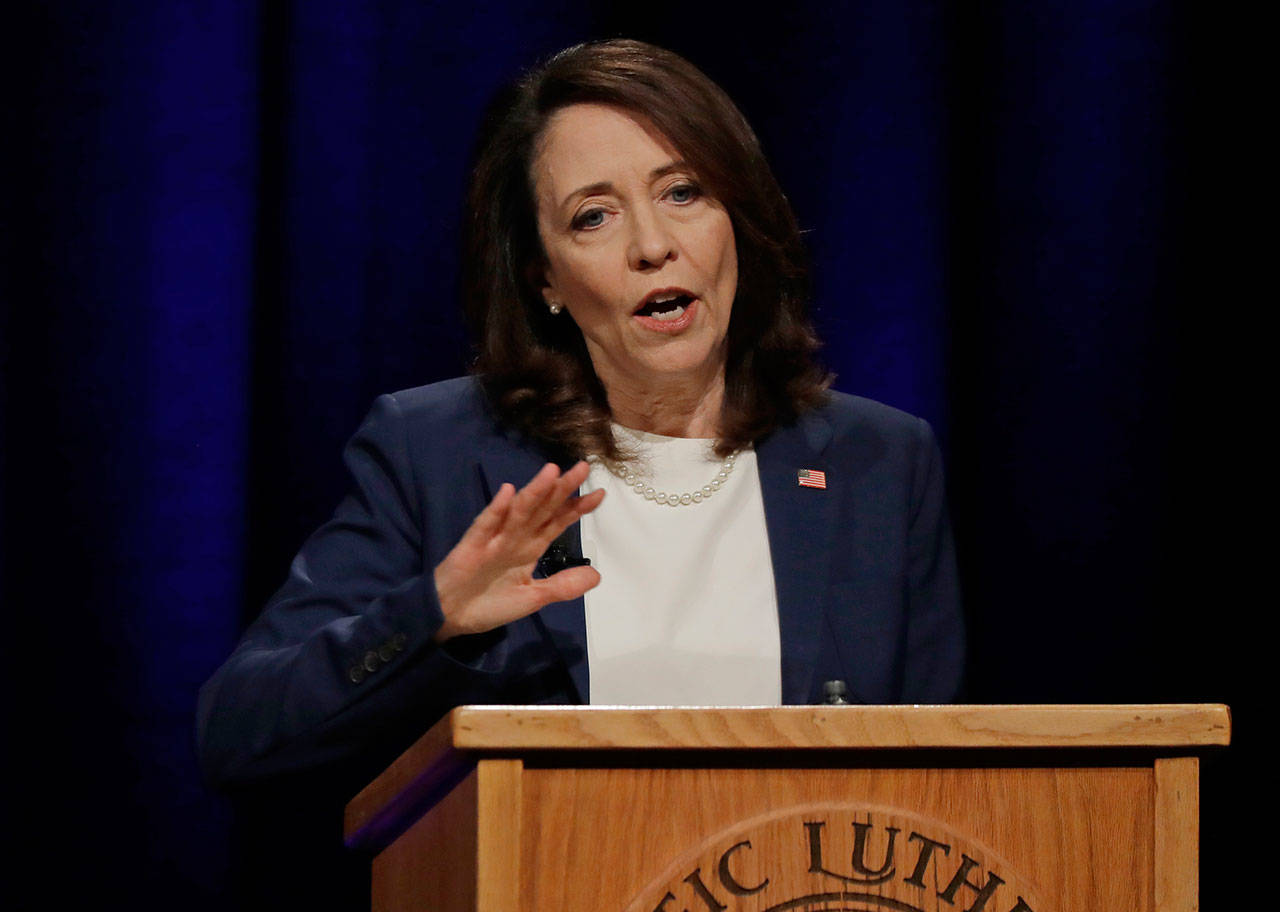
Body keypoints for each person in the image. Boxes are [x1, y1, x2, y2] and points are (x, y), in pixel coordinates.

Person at [199, 38, 963, 802]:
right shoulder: (437, 453)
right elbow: (241, 731)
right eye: (594, 216)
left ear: (739, 216)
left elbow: (940, 787)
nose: (654, 245)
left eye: (684, 192)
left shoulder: (881, 460)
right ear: (546, 278)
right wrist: (433, 615)